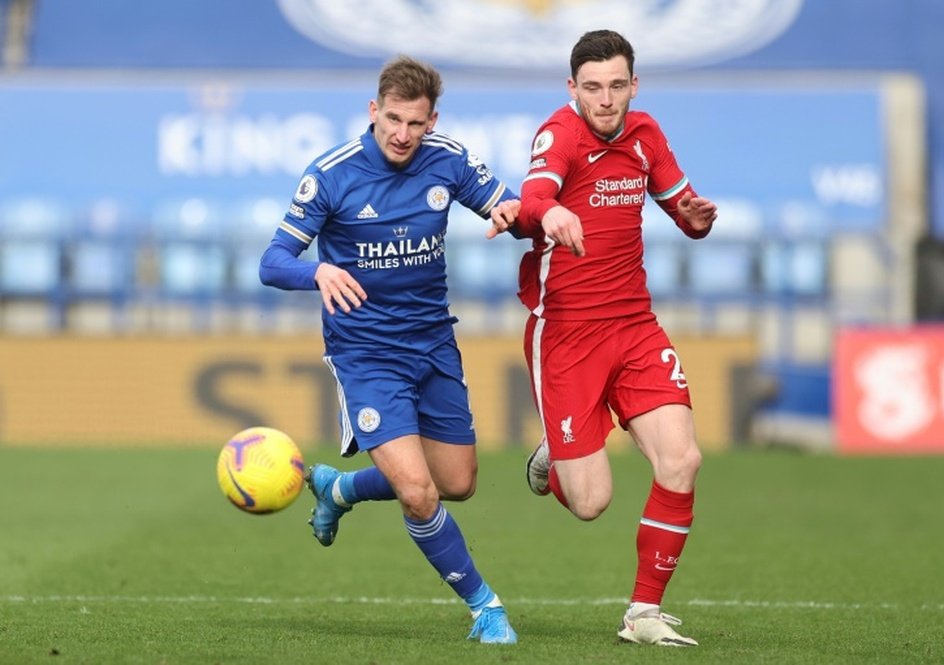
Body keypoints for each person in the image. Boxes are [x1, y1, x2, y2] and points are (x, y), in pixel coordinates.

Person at [259, 55, 521, 644]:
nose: (403, 135)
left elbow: (507, 205)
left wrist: (519, 215)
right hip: (367, 355)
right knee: (417, 491)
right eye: (393, 120)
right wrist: (318, 273)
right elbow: (272, 263)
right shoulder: (331, 175)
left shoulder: (447, 158)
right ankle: (486, 606)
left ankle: (340, 487)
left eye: (416, 123)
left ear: (433, 121)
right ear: (373, 110)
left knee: (456, 482)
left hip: (434, 342)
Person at [491, 30, 718, 647]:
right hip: (565, 334)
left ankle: (643, 614)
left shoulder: (646, 135)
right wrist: (550, 212)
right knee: (590, 502)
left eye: (617, 85)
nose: (606, 99)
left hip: (635, 328)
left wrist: (696, 221)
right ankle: (556, 460)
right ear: (573, 90)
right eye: (592, 87)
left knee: (683, 460)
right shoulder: (559, 135)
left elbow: (682, 207)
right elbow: (535, 197)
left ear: (634, 86)